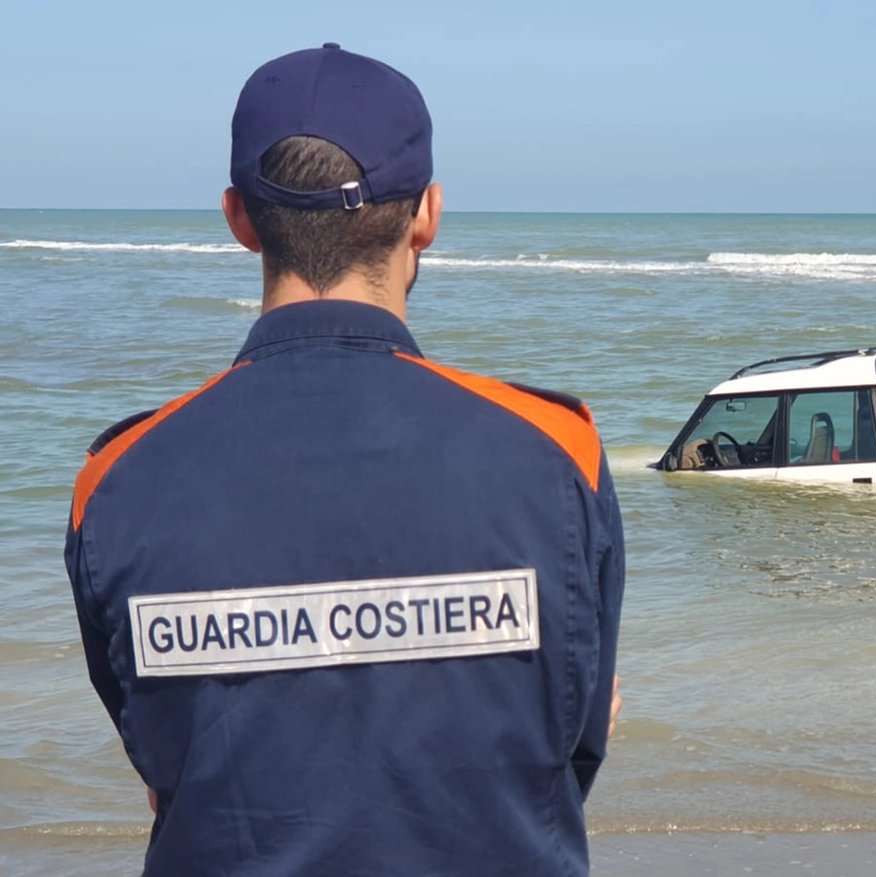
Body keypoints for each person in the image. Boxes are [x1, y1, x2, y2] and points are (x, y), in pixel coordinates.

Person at [63, 44, 624, 876]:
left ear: (239, 217)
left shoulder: (114, 481)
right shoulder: (557, 452)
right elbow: (575, 742)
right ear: (426, 214)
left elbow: (160, 761)